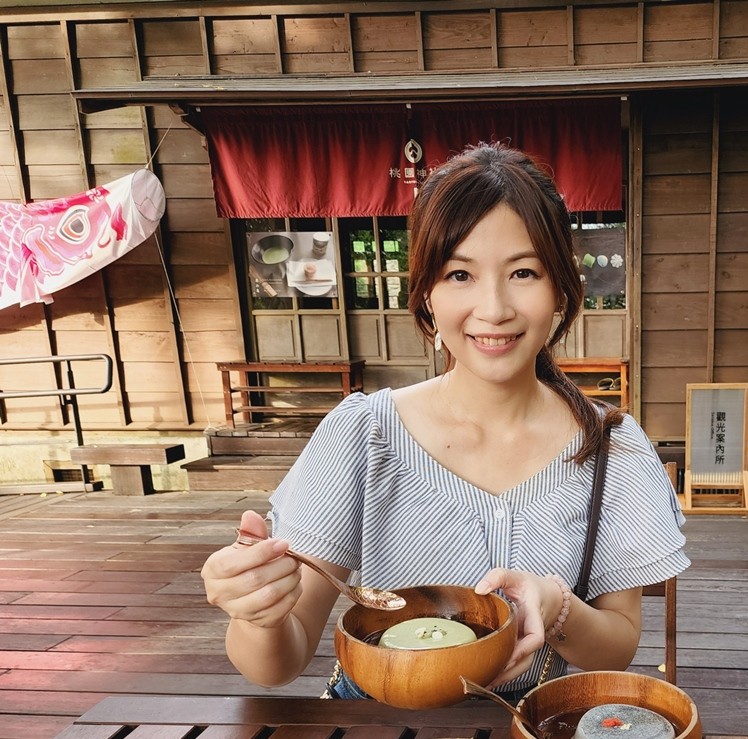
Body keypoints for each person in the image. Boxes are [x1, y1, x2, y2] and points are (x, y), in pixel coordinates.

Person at [201, 143, 688, 702]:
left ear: (560, 288)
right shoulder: (363, 435)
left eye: (524, 271)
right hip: (380, 730)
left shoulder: (612, 445)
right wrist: (258, 610)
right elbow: (276, 664)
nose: (494, 307)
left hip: (529, 731)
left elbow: (619, 642)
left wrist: (557, 609)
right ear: (427, 293)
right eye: (460, 274)